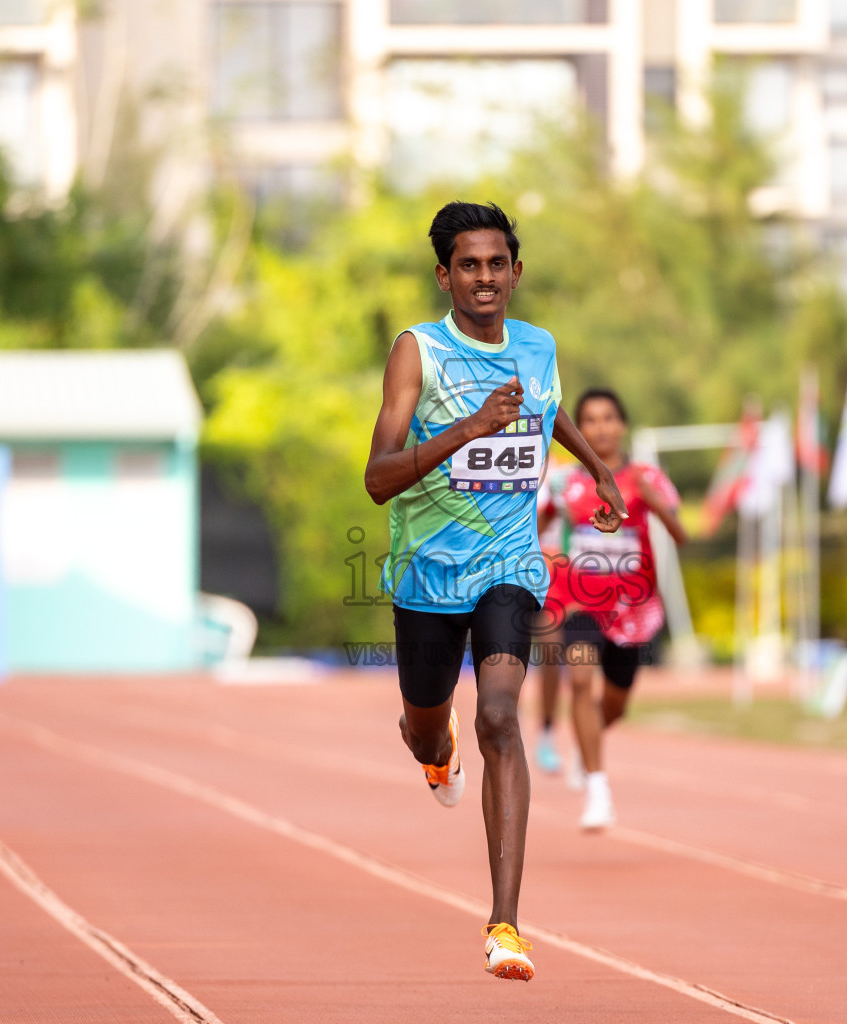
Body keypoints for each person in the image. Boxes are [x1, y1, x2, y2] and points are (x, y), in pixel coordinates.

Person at [364, 201, 625, 981]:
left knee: (503, 715)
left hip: (509, 566)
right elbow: (378, 478)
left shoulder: (539, 346)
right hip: (426, 574)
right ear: (444, 275)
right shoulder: (419, 353)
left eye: (497, 264)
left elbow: (542, 417)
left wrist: (595, 465)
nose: (485, 278)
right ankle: (433, 754)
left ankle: (504, 925)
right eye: (468, 266)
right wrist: (465, 430)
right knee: (427, 727)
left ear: (516, 271)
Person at [538, 388, 687, 829]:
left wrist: (654, 504)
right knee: (580, 682)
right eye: (589, 420)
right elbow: (542, 522)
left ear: (622, 425)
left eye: (608, 419)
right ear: (578, 431)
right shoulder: (567, 481)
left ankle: (589, 747)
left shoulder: (647, 477)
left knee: (616, 705)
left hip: (633, 608)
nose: (600, 428)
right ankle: (598, 791)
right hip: (579, 601)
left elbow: (680, 535)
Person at [530, 460, 569, 777]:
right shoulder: (530, 469)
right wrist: (554, 507)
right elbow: (536, 527)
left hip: (576, 573)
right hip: (536, 571)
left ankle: (548, 733)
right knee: (549, 651)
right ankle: (539, 732)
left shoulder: (572, 472)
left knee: (574, 662)